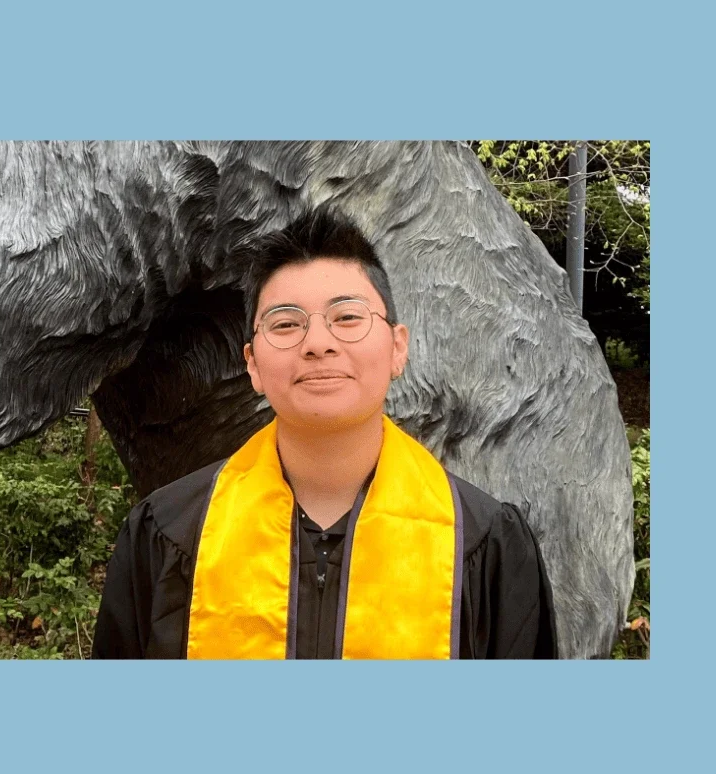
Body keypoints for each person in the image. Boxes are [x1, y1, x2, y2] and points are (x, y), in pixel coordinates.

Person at [91, 207, 558, 659]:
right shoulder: (168, 536)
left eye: (348, 317)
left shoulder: (484, 545)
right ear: (252, 364)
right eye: (287, 324)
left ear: (398, 348)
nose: (318, 343)